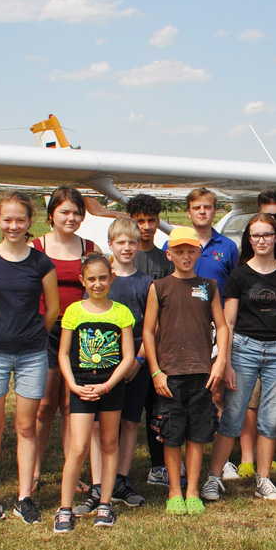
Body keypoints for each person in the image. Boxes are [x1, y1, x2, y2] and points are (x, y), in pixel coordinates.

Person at [0, 191, 59, 524]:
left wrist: (32, 333)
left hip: (32, 354)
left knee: (26, 426)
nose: (14, 225)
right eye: (7, 219)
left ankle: (24, 496)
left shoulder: (41, 262)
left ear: (29, 222)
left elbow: (52, 310)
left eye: (20, 219)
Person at [201, 213, 276, 503]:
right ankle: (214, 478)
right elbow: (228, 323)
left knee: (270, 420)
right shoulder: (240, 275)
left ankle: (264, 480)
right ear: (248, 240)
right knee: (232, 416)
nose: (261, 241)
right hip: (243, 349)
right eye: (255, 235)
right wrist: (226, 360)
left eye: (267, 235)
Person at [142, 227, 229, 516]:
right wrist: (156, 371)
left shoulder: (210, 285)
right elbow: (148, 332)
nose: (185, 256)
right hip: (170, 375)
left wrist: (220, 361)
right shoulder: (160, 287)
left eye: (190, 250)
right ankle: (174, 491)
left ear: (199, 252)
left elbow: (223, 327)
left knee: (197, 435)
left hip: (202, 373)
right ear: (169, 254)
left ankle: (193, 490)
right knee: (171, 434)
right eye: (178, 251)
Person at [54, 254, 137, 532]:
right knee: (78, 447)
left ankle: (105, 504)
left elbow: (128, 356)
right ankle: (64, 508)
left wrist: (108, 385)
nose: (98, 284)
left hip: (110, 386)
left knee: (110, 443)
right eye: (92, 279)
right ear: (82, 281)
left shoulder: (122, 313)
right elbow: (64, 353)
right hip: (81, 386)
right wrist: (72, 385)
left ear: (111, 278)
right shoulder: (74, 312)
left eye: (103, 278)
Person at [32, 186, 97, 492]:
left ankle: (72, 471)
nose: (71, 218)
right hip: (47, 330)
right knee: (44, 404)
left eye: (76, 213)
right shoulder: (37, 247)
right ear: (51, 216)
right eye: (64, 212)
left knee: (72, 406)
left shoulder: (89, 247)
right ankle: (33, 470)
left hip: (81, 334)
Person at [104, 217, 153, 508]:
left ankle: (122, 478)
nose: (127, 248)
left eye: (132, 243)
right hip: (104, 360)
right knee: (104, 424)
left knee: (131, 422)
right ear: (110, 244)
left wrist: (138, 359)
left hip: (137, 362)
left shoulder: (146, 282)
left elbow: (151, 327)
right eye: (121, 242)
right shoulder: (102, 278)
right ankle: (102, 480)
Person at [124, 194, 172, 488]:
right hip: (122, 347)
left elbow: (164, 310)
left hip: (154, 348)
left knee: (157, 410)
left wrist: (145, 354)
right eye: (139, 221)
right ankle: (118, 469)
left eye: (151, 220)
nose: (145, 226)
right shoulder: (121, 258)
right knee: (122, 414)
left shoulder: (162, 260)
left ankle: (158, 466)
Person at [170, 187, 239, 294]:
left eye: (207, 207)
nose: (202, 211)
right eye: (196, 208)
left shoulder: (228, 246)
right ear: (189, 212)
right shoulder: (173, 244)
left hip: (217, 309)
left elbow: (235, 286)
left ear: (214, 212)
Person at [127, 193, 174, 280]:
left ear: (158, 222)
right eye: (140, 221)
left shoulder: (167, 261)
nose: (147, 227)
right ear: (131, 222)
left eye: (151, 220)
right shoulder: (125, 258)